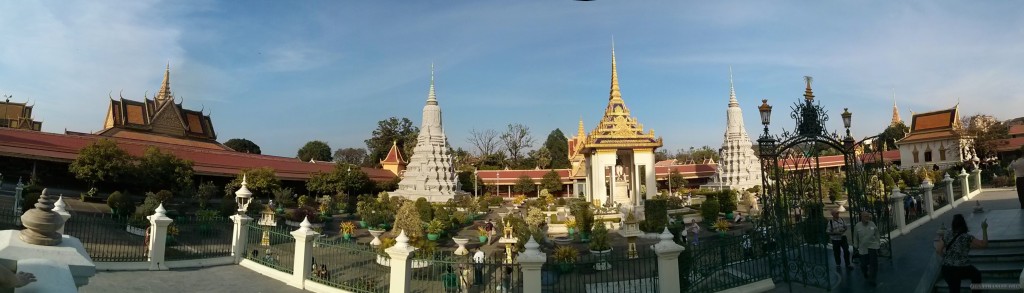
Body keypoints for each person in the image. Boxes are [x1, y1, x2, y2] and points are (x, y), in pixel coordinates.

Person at [935, 214, 988, 293]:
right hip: (961, 268)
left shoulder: (947, 234)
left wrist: (945, 257)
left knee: (954, 290)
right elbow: (983, 244)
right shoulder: (966, 237)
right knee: (976, 275)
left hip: (947, 268)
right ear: (964, 224)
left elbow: (938, 250)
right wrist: (984, 228)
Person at [853, 211, 880, 286]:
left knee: (874, 264)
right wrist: (856, 246)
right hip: (862, 248)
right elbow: (855, 237)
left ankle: (872, 279)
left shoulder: (872, 224)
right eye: (865, 216)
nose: (867, 218)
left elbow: (877, 233)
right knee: (863, 264)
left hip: (872, 246)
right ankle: (865, 273)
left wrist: (878, 242)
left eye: (868, 216)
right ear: (861, 217)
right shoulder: (857, 226)